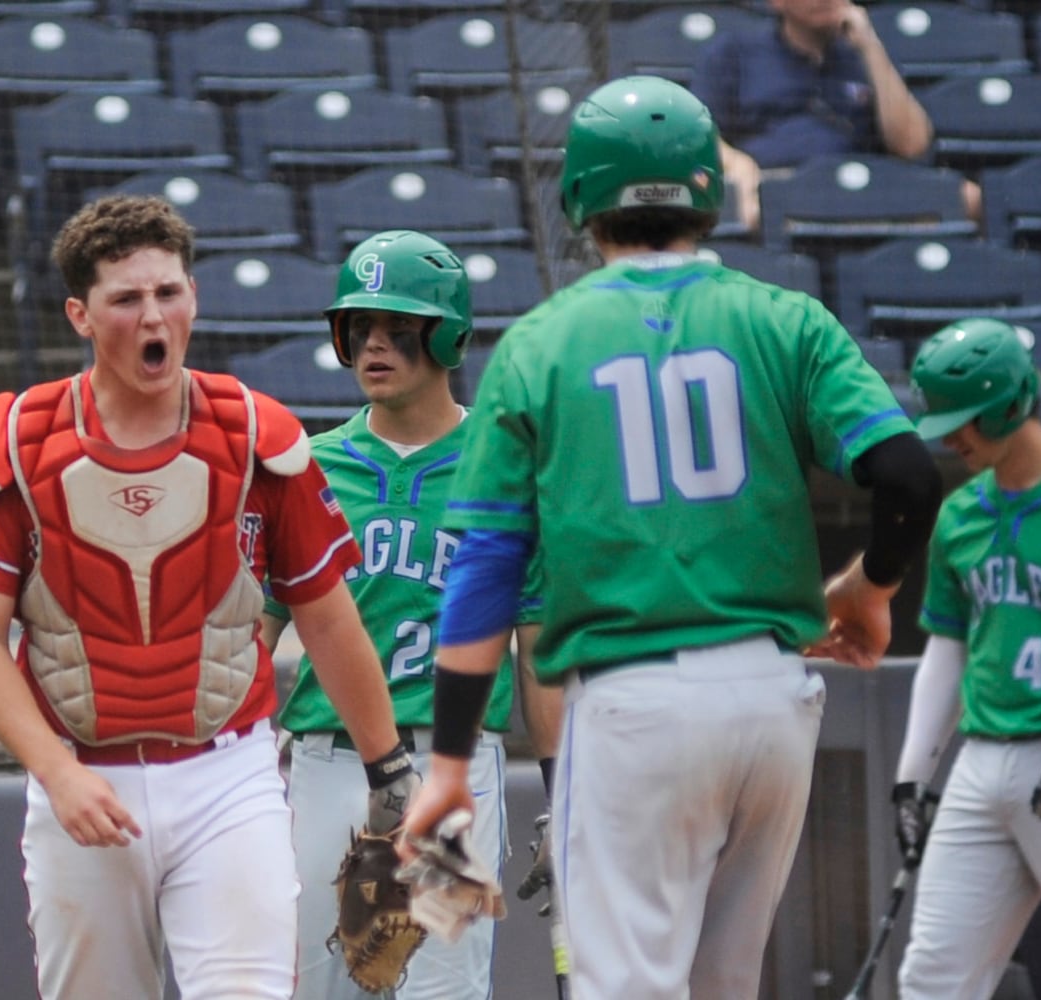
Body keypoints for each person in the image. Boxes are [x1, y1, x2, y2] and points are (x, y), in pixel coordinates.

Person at [396, 75, 943, 1000]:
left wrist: (448, 763)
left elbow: (484, 570)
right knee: (725, 984)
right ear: (706, 191)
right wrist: (872, 587)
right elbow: (909, 476)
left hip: (635, 706)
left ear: (580, 196)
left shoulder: (540, 343)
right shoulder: (784, 319)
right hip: (773, 702)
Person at [0, 194, 415, 1000]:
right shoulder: (13, 443)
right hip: (80, 776)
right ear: (81, 314)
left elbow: (325, 614)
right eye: (126, 299)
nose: (153, 313)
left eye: (168, 292)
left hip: (229, 773)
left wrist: (389, 768)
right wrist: (56, 773)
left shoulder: (258, 438)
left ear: (192, 298)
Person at [261, 229, 563, 1000]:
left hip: (451, 768)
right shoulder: (309, 466)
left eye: (399, 328)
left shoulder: (500, 466)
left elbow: (538, 651)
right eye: (358, 328)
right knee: (317, 987)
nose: (373, 345)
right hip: (327, 763)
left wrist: (561, 797)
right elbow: (256, 632)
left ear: (448, 338)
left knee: (442, 990)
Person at [893, 317, 1041, 1000]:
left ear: (1010, 403)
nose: (951, 437)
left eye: (966, 420)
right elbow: (947, 649)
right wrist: (910, 779)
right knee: (933, 977)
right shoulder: (959, 515)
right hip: (981, 761)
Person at [690, 0, 938, 231]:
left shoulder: (869, 53)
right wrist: (737, 163)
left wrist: (869, 47)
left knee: (964, 197)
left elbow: (912, 146)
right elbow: (698, 134)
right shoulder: (735, 52)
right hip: (775, 186)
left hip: (863, 188)